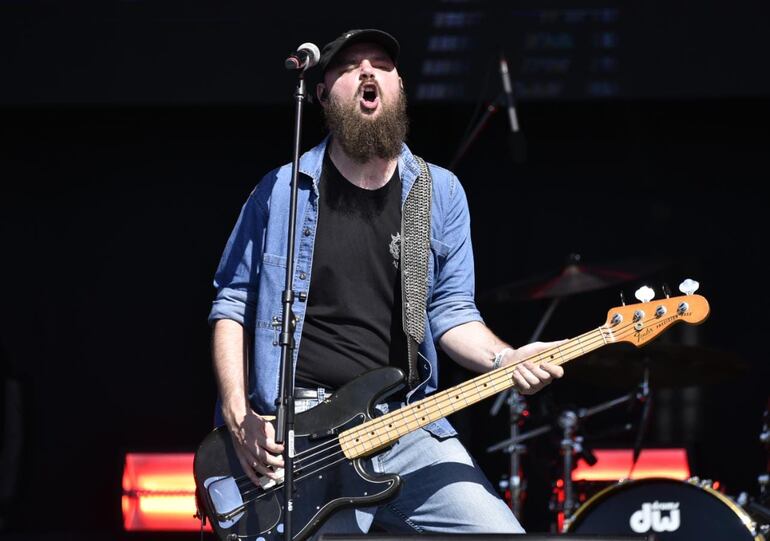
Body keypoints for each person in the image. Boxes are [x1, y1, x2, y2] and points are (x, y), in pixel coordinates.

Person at [208, 28, 564, 536]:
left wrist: (506, 359)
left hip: (404, 422)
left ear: (399, 87)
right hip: (296, 432)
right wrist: (241, 417)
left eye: (381, 64)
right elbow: (232, 305)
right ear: (325, 93)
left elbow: (451, 311)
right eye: (351, 66)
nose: (368, 71)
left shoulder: (438, 193)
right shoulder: (282, 190)